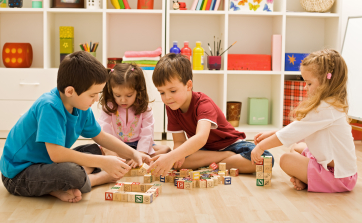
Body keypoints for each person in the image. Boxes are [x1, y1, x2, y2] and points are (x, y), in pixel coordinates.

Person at [0, 51, 150, 203]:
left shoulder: (81, 106)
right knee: (73, 173)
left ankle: (59, 186)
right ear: (70, 91)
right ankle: (95, 178)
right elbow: (57, 155)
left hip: (47, 164)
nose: (96, 99)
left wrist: (133, 153)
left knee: (96, 150)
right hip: (18, 174)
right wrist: (104, 163)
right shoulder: (49, 106)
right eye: (92, 95)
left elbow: (101, 137)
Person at [148, 53, 273, 176]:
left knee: (266, 159)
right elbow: (179, 141)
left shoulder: (203, 103)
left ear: (188, 85)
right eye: (162, 93)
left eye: (172, 91)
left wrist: (172, 157)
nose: (167, 97)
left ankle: (220, 160)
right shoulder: (172, 105)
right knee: (181, 163)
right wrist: (176, 156)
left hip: (231, 144)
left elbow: (200, 138)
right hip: (205, 150)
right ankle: (225, 158)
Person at [251, 49, 358, 192]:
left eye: (308, 83)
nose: (304, 87)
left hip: (339, 177)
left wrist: (261, 146)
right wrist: (272, 134)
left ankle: (309, 180)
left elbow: (294, 131)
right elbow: (299, 129)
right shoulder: (330, 104)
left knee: (286, 159)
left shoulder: (326, 109)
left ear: (327, 81)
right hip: (339, 169)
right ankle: (308, 179)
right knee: (296, 147)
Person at [98, 63, 170, 167]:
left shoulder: (145, 108)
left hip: (138, 145)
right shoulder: (110, 106)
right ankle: (129, 159)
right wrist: (110, 150)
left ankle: (132, 159)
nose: (123, 100)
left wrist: (141, 153)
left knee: (166, 150)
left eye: (129, 95)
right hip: (118, 146)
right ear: (111, 91)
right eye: (117, 95)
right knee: (99, 151)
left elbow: (147, 132)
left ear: (138, 91)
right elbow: (103, 128)